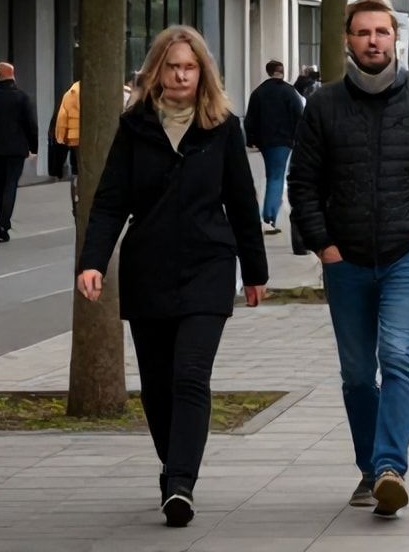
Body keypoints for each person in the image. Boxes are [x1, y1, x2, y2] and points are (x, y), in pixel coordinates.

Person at [76, 27, 269, 528]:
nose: (181, 75)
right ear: (155, 71)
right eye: (172, 66)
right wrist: (93, 261)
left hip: (208, 265)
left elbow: (243, 202)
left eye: (189, 67)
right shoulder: (135, 125)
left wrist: (255, 271)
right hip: (149, 268)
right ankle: (171, 468)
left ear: (202, 72)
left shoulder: (223, 126)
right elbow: (111, 200)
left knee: (189, 375)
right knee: (158, 386)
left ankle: (181, 482)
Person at [287, 0, 409, 518]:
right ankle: (369, 469)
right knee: (356, 374)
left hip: (406, 257)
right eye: (363, 33)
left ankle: (390, 467)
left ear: (396, 38)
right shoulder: (322, 104)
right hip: (344, 260)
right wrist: (325, 246)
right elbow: (303, 182)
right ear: (348, 40)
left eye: (381, 32)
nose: (373, 41)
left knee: (398, 357)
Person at [243, 60, 303, 235]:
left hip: (265, 141)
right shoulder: (289, 92)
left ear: (267, 71)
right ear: (282, 72)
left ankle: (267, 216)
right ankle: (269, 217)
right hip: (283, 141)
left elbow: (250, 118)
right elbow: (299, 115)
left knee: (271, 175)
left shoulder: (258, 92)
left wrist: (252, 138)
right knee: (276, 177)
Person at [0, 64, 39, 242]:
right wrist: (34, 147)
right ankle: (4, 223)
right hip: (15, 150)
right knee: (10, 185)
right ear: (13, 75)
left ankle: (1, 219)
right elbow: (30, 125)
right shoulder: (22, 98)